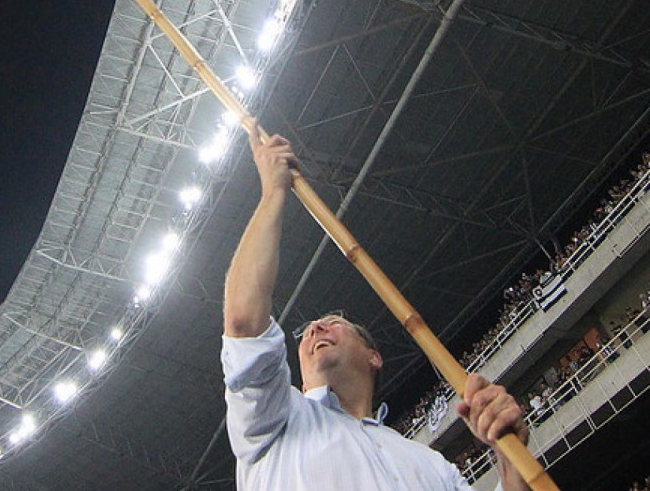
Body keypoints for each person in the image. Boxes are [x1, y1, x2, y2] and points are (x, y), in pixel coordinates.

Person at [222, 124, 532, 490]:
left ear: (374, 357)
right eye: (308, 331)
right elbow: (243, 322)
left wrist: (510, 460)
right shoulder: (274, 422)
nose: (315, 329)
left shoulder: (432, 466)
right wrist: (273, 191)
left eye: (333, 322)